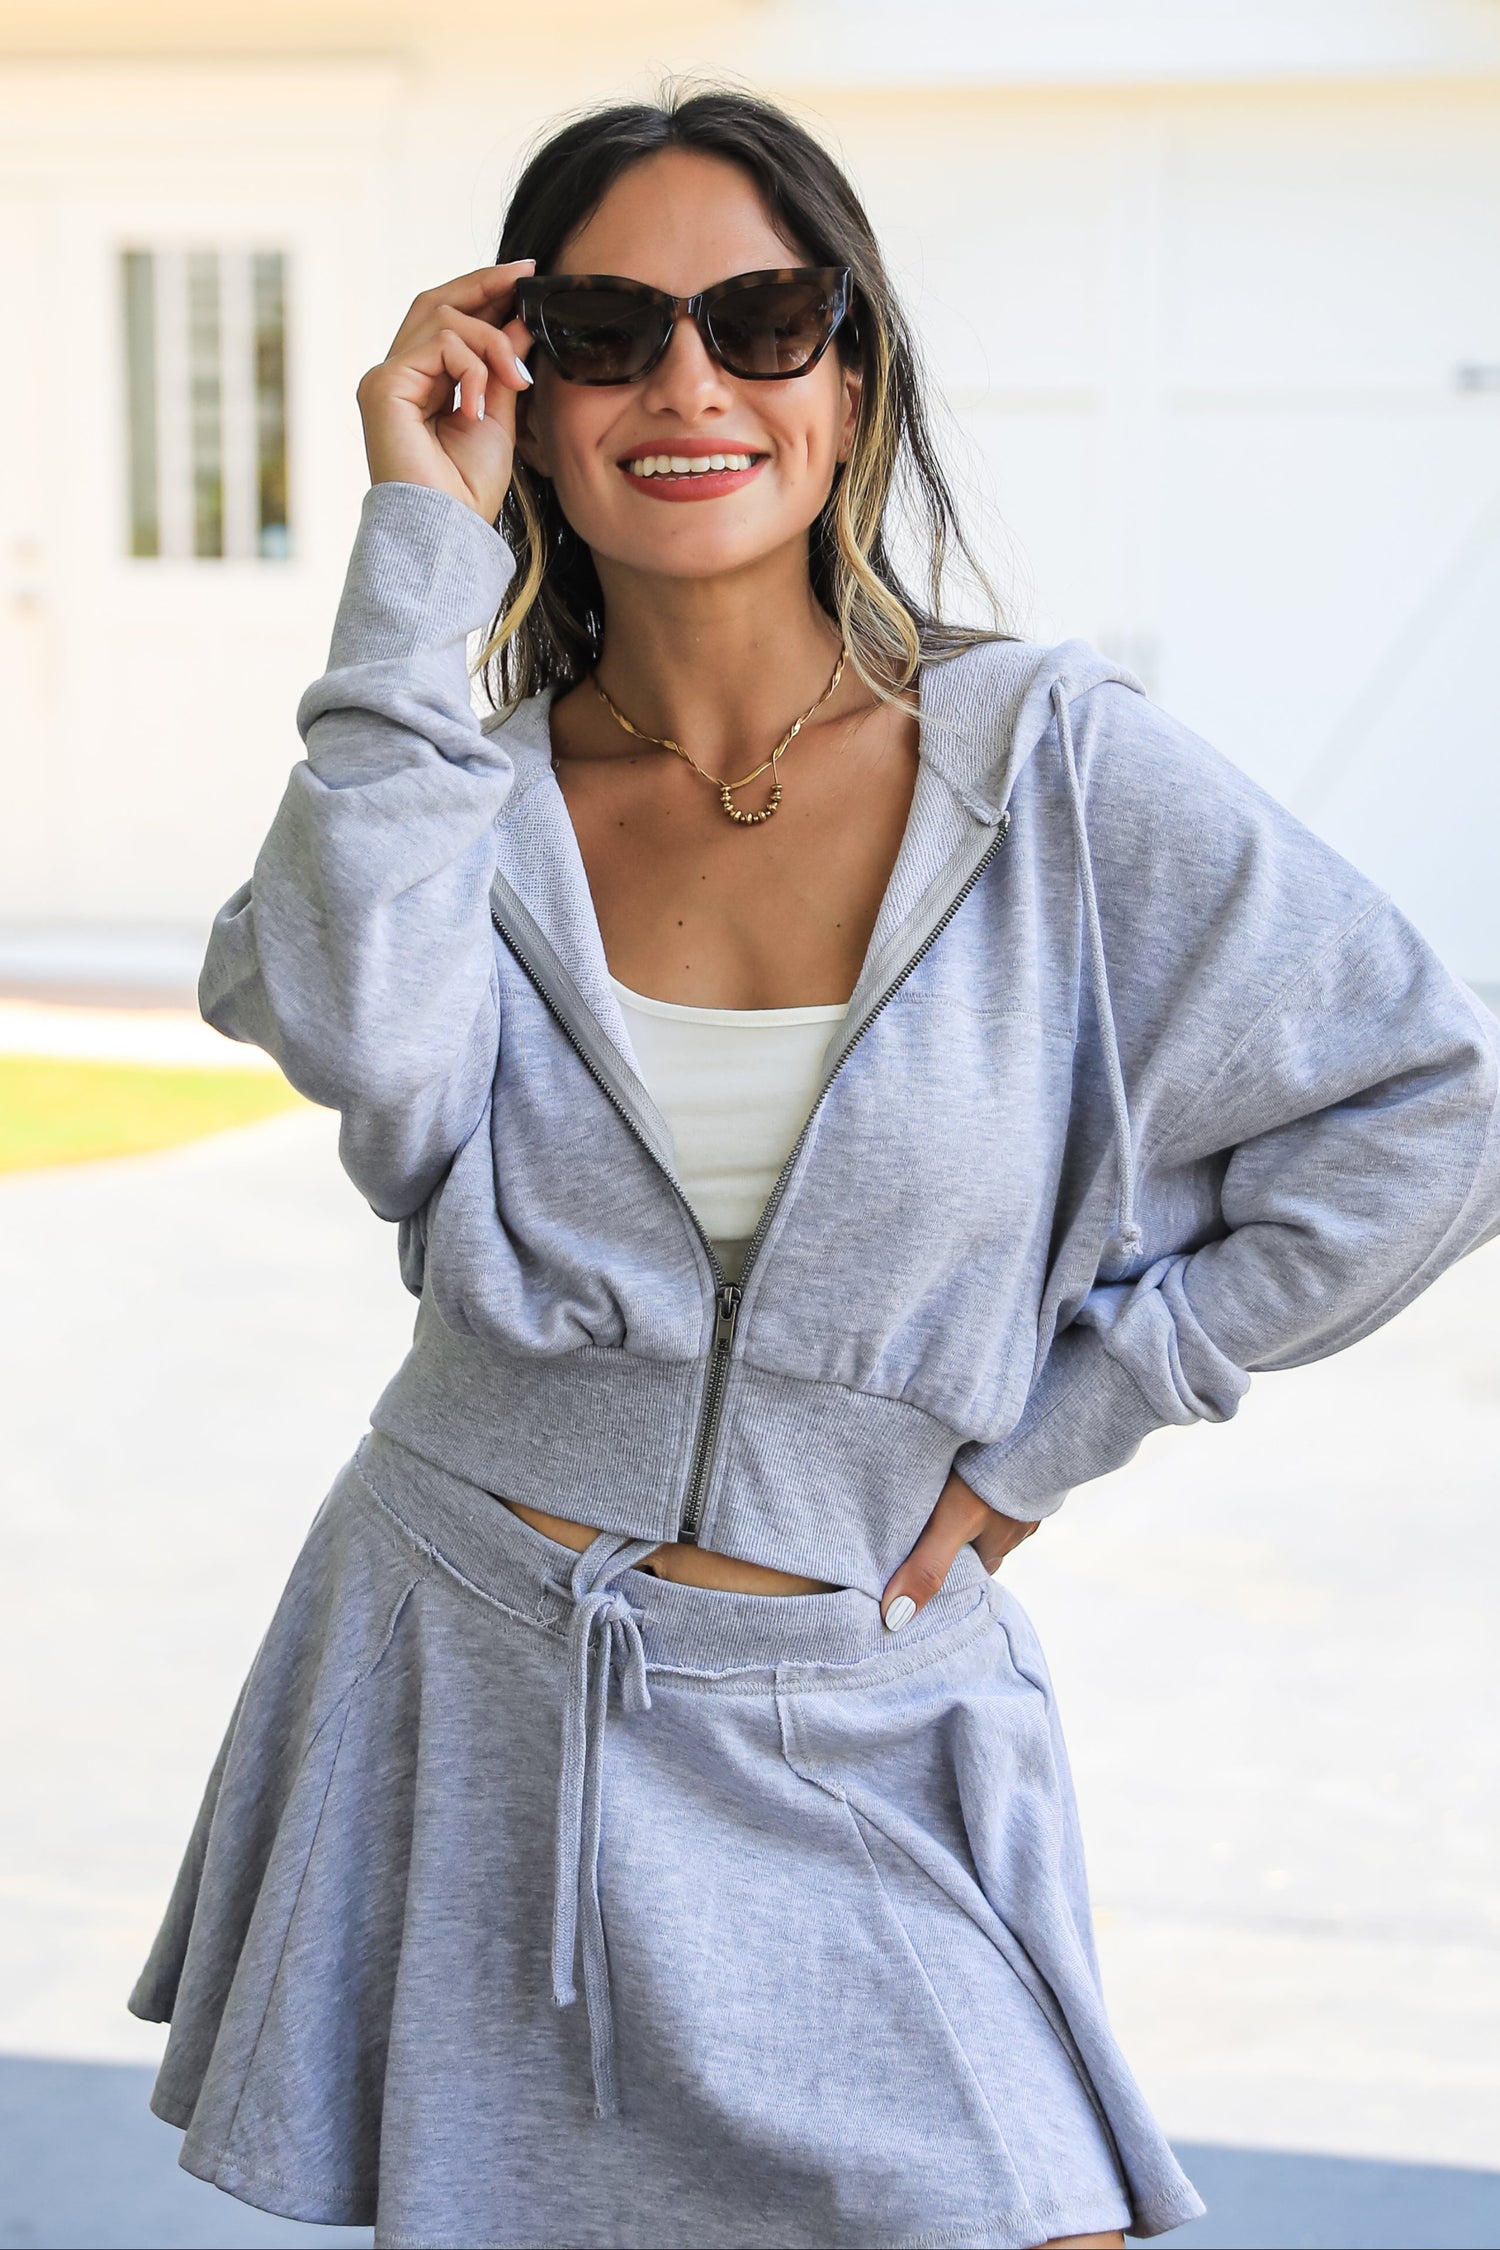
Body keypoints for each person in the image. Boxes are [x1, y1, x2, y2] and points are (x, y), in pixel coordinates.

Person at [129, 86, 1500, 2250]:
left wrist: (1086, 1414)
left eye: (767, 318)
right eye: (606, 328)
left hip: (861, 1696)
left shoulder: (1056, 769)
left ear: (852, 382)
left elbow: (1432, 1108)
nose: (692, 384)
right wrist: (414, 564)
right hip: (476, 1669)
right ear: (526, 388)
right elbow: (354, 1041)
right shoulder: (448, 803)